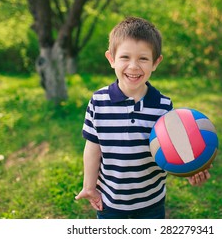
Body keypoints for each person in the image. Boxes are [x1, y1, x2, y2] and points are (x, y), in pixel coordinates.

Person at [75, 17, 212, 219]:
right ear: (111, 59)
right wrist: (89, 186)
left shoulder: (164, 106)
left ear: (156, 62)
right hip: (110, 202)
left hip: (151, 203)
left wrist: (191, 169)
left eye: (143, 59)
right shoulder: (98, 101)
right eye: (125, 57)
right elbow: (93, 147)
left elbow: (177, 146)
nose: (133, 66)